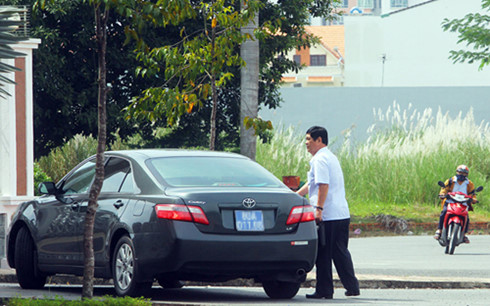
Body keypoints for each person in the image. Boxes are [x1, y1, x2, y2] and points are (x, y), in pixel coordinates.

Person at [296, 126, 360, 299]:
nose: (306, 143)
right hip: (341, 213)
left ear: (319, 140)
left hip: (328, 214)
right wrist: (296, 195)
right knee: (340, 251)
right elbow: (314, 183)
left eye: (309, 139)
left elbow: (323, 185)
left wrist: (319, 209)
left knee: (323, 254)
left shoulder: (319, 159)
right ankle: (352, 286)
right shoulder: (330, 157)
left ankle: (324, 290)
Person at [434, 165, 477, 243]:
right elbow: (444, 189)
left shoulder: (469, 184)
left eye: (464, 173)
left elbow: (472, 193)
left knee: (466, 218)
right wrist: (443, 194)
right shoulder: (450, 181)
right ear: (457, 172)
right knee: (443, 212)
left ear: (467, 174)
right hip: (450, 202)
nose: (461, 174)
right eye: (460, 172)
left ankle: (463, 235)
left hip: (463, 203)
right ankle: (439, 230)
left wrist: (473, 199)